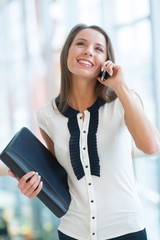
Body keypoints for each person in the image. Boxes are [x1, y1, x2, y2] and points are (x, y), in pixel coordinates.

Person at [1, 23, 160, 239]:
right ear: (67, 52)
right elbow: (58, 175)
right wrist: (33, 186)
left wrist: (120, 86)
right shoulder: (47, 115)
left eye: (98, 49)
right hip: (72, 231)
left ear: (106, 61)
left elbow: (151, 146)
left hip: (126, 230)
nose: (88, 51)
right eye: (81, 44)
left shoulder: (123, 101)